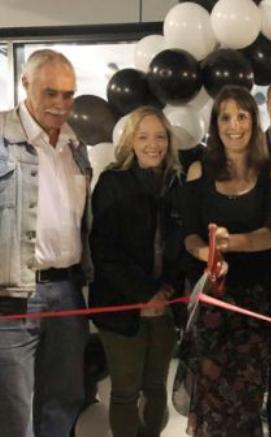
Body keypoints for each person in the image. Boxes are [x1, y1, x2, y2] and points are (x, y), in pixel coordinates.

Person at [181, 85, 271, 436]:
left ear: (254, 122)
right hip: (212, 302)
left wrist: (229, 244)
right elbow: (189, 234)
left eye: (242, 116)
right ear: (215, 123)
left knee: (246, 399)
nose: (234, 125)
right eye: (225, 117)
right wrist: (206, 254)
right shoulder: (199, 170)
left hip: (255, 304)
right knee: (209, 399)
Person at [0, 49, 90, 437]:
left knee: (64, 401)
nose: (60, 104)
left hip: (68, 291)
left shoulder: (76, 145)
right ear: (25, 84)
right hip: (13, 296)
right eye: (50, 92)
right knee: (13, 410)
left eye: (68, 94)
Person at [89, 106, 184, 437]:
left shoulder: (177, 183)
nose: (152, 144)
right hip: (122, 308)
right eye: (143, 136)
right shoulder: (112, 182)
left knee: (157, 389)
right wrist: (145, 293)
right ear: (130, 141)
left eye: (160, 136)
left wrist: (167, 290)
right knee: (126, 393)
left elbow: (180, 246)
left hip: (165, 307)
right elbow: (104, 251)